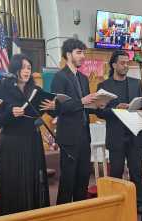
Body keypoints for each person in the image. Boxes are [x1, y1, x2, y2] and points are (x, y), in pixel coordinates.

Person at [0, 54, 51, 215]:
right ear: (15, 69)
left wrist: (50, 106)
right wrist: (11, 113)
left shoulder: (36, 90)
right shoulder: (1, 91)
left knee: (34, 179)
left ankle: (35, 215)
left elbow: (40, 113)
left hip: (32, 139)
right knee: (15, 181)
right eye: (23, 67)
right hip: (12, 142)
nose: (26, 71)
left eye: (29, 68)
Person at [96, 50, 142, 207]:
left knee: (137, 173)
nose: (126, 66)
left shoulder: (136, 83)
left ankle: (139, 205)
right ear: (114, 65)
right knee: (116, 173)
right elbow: (99, 112)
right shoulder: (103, 86)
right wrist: (116, 109)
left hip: (134, 135)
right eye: (123, 63)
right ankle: (114, 206)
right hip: (116, 136)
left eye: (127, 63)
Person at [50, 38, 97, 204]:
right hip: (69, 136)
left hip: (84, 135)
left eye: (83, 52)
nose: (83, 56)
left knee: (83, 178)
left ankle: (81, 214)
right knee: (68, 180)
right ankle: (62, 216)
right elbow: (58, 108)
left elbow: (85, 105)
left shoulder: (84, 78)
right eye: (79, 52)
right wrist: (82, 102)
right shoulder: (59, 77)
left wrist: (98, 104)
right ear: (68, 54)